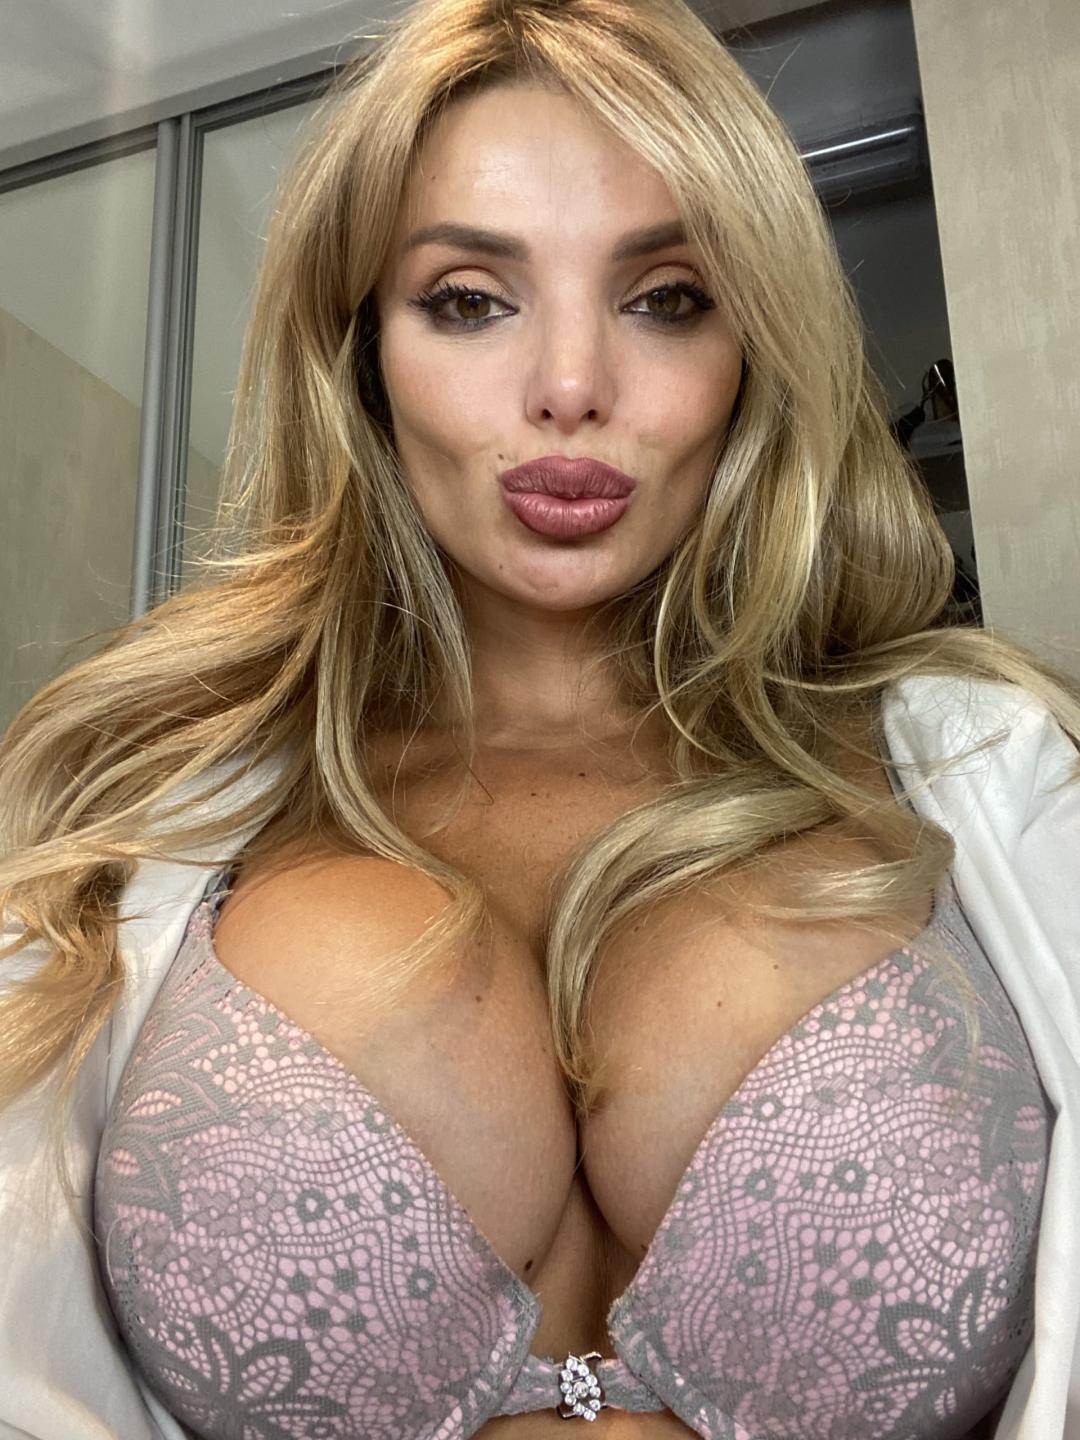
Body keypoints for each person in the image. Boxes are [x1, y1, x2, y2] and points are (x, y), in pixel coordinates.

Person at [1, 0, 1078, 1436]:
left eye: (667, 297)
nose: (571, 387)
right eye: (468, 300)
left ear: (755, 348)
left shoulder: (985, 766)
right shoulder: (144, 810)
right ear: (360, 351)